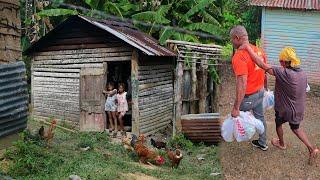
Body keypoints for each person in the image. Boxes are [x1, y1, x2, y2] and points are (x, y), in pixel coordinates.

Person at [239, 45, 319, 164]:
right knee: (296, 128)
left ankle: (281, 144)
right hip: (298, 108)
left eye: (281, 61)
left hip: (284, 109)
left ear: (285, 62)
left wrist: (248, 49)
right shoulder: (302, 73)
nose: (280, 63)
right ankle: (312, 149)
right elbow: (305, 88)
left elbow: (261, 65)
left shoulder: (283, 72)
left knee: (278, 124)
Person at [230, 25, 268, 151]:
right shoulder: (259, 51)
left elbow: (242, 83)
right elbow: (264, 71)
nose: (231, 42)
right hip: (260, 91)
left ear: (236, 38)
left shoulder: (239, 56)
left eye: (231, 39)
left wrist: (236, 107)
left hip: (249, 97)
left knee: (235, 115)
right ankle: (262, 142)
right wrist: (265, 88)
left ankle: (237, 134)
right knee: (260, 116)